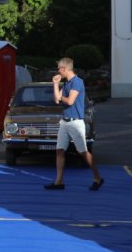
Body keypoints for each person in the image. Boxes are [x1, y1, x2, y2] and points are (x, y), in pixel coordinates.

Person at [44, 57, 104, 191]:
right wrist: (55, 84)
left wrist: (60, 97)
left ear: (65, 68)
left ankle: (97, 178)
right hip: (65, 121)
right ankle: (58, 182)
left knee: (83, 152)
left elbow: (70, 101)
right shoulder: (66, 83)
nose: (58, 71)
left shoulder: (77, 82)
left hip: (75, 122)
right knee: (60, 151)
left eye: (59, 69)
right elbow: (57, 100)